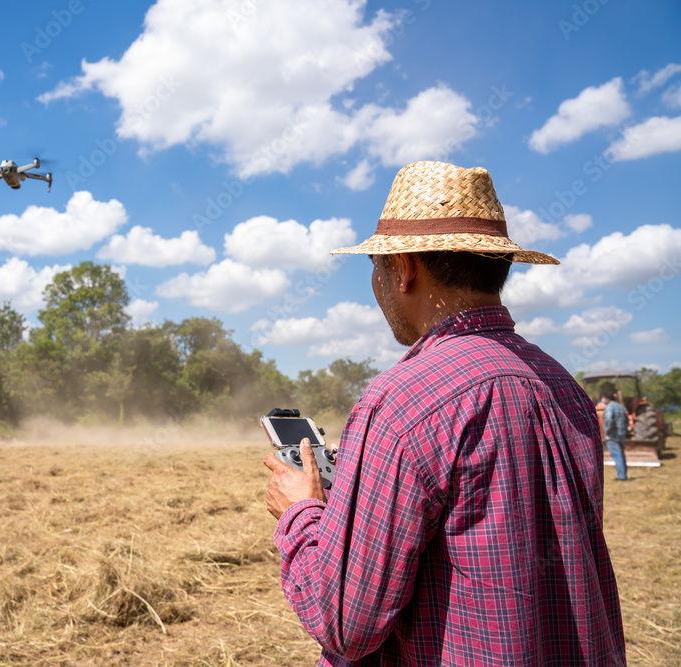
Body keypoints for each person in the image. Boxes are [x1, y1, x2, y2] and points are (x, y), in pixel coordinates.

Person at [263, 161, 625, 665]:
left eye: (377, 266)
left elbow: (344, 622)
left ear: (404, 266)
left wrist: (301, 511)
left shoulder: (402, 402)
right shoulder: (564, 386)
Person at [602, 387, 629, 481]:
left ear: (606, 398)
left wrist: (607, 430)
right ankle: (623, 474)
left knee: (617, 455)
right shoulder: (620, 406)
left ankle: (621, 476)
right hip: (621, 434)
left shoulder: (609, 407)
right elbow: (627, 419)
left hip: (612, 435)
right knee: (621, 453)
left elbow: (609, 419)